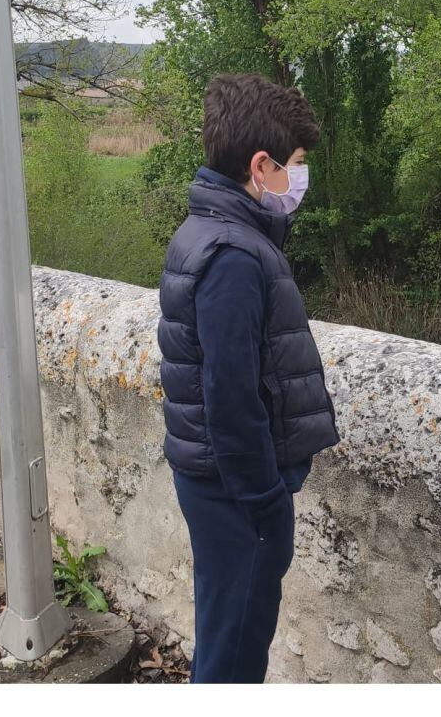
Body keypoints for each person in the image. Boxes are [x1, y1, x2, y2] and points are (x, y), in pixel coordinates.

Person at [156, 72, 341, 683]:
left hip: (216, 484)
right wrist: (266, 504)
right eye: (296, 164)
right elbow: (229, 397)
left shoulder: (207, 230)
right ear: (262, 166)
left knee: (223, 635)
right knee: (233, 658)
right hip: (236, 495)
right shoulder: (233, 255)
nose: (300, 177)